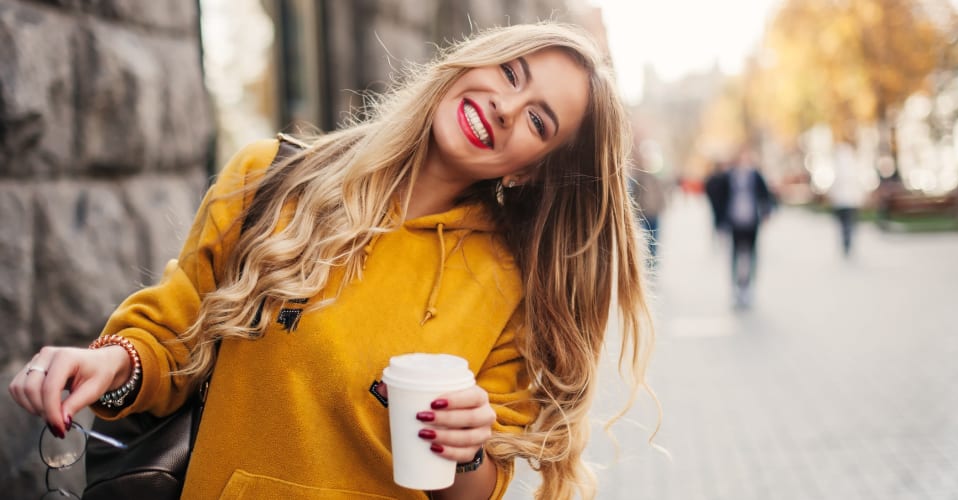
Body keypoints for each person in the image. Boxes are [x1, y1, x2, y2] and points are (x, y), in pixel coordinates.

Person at [7, 23, 653, 500]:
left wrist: (464, 452)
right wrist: (111, 363)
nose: (506, 108)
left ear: (532, 169)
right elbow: (174, 334)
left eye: (539, 122)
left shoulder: (509, 288)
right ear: (473, 62)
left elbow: (473, 493)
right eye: (512, 73)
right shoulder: (271, 180)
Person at [717, 147, 774, 308]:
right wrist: (720, 222)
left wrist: (767, 212)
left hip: (751, 221)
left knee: (752, 254)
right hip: (735, 221)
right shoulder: (729, 177)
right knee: (735, 254)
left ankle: (748, 286)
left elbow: (765, 195)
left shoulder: (755, 176)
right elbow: (720, 197)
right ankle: (736, 287)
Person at [827, 142, 865, 256]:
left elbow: (835, 184)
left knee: (844, 224)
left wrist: (832, 196)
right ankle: (848, 241)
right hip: (851, 201)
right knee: (850, 223)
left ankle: (846, 242)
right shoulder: (853, 165)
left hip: (841, 202)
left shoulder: (838, 166)